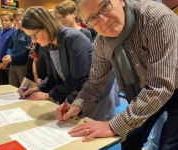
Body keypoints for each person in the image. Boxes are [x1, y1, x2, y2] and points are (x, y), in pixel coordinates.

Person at [55, 0, 178, 150]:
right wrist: (77, 105)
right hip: (144, 89)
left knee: (169, 144)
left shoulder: (156, 18)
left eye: (105, 6)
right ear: (88, 23)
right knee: (129, 140)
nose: (104, 20)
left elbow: (161, 85)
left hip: (170, 83)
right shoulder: (101, 44)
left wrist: (112, 125)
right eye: (93, 18)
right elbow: (95, 83)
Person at [18, 6, 117, 121]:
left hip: (95, 91)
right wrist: (39, 89)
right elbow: (52, 76)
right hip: (73, 90)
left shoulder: (73, 38)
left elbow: (78, 78)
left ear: (45, 26)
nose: (33, 41)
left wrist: (50, 95)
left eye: (33, 36)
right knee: (72, 124)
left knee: (93, 128)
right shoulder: (46, 44)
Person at [143, 1, 178, 150]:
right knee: (140, 129)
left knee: (170, 141)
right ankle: (153, 145)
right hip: (155, 82)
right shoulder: (153, 11)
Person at [2, 8, 30, 88]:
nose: (19, 22)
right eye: (16, 20)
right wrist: (9, 55)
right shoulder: (14, 33)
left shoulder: (29, 33)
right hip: (12, 64)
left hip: (23, 65)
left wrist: (12, 57)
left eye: (21, 19)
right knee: (12, 87)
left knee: (23, 89)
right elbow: (10, 46)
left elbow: (28, 50)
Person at [0, 11, 13, 85]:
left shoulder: (13, 33)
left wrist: (5, 63)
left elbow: (12, 49)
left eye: (6, 20)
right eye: (2, 21)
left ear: (11, 21)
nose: (3, 22)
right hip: (0, 65)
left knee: (10, 85)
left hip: (9, 65)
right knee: (3, 84)